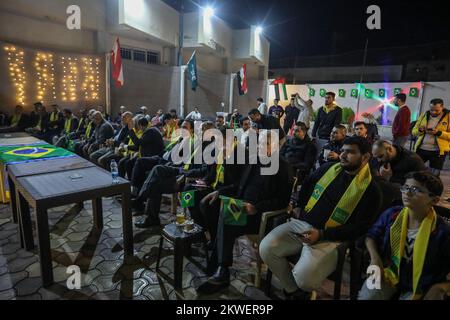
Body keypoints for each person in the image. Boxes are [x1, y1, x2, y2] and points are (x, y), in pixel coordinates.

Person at [260, 136, 383, 300]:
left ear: (366, 157)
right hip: (301, 226)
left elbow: (360, 228)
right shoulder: (328, 169)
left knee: (304, 278)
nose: (343, 155)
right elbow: (307, 185)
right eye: (343, 151)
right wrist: (297, 206)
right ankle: (294, 291)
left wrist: (322, 234)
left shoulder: (371, 190)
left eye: (351, 152)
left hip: (330, 238)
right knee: (266, 249)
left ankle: (300, 287)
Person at [197, 132, 294, 294]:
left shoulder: (283, 167)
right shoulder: (254, 160)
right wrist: (220, 192)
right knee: (208, 204)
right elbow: (238, 185)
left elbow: (283, 202)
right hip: (241, 206)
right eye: (260, 143)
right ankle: (217, 250)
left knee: (226, 217)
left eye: (267, 144)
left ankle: (222, 270)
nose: (261, 147)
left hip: (261, 216)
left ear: (277, 146)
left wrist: (257, 207)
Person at [358, 171, 450, 300]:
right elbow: (371, 236)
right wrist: (375, 258)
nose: (407, 193)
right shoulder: (392, 215)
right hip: (388, 271)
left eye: (415, 190)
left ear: (434, 200)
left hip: (422, 282)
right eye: (405, 187)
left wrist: (442, 286)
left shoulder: (442, 232)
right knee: (366, 297)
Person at [412, 99, 450, 177]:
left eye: (436, 110)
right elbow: (414, 131)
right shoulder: (424, 115)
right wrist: (420, 130)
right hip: (421, 149)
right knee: (415, 171)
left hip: (438, 152)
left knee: (433, 176)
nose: (433, 112)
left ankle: (431, 189)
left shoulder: (448, 117)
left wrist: (439, 133)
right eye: (431, 110)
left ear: (442, 107)